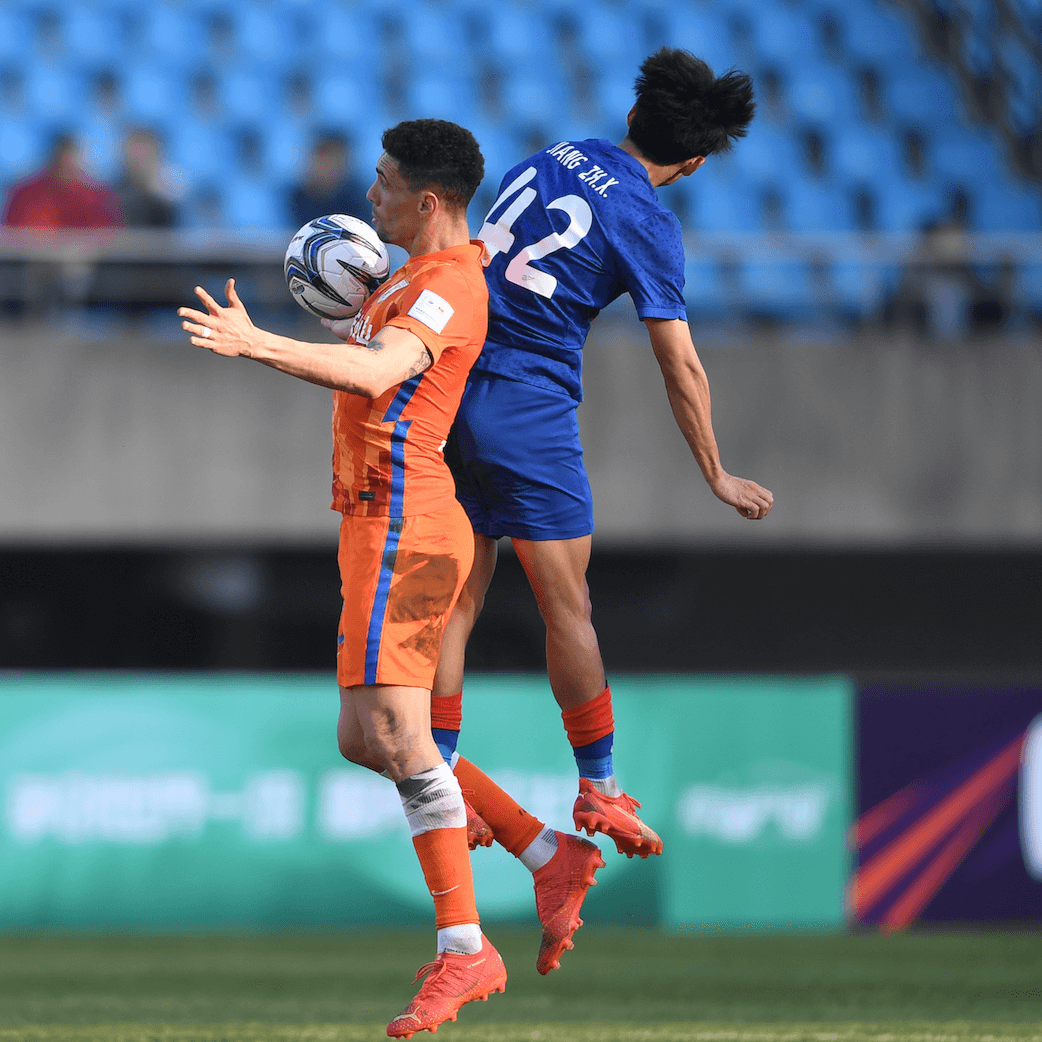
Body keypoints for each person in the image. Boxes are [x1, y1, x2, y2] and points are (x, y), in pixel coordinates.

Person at [177, 118, 510, 1038]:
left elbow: (380, 372)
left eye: (384, 182)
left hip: (408, 520)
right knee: (364, 739)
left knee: (398, 734)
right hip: (374, 523)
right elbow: (363, 352)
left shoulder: (447, 286)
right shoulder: (403, 278)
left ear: (427, 201)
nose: (371, 195)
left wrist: (258, 344)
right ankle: (535, 844)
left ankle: (465, 948)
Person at [431, 48, 775, 862]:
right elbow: (679, 362)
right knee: (567, 606)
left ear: (631, 117)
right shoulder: (648, 221)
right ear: (695, 162)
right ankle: (599, 787)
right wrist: (716, 472)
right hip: (528, 405)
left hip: (451, 384)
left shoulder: (554, 153)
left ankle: (439, 772)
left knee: (459, 600)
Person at [2, 132, 122, 229]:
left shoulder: (96, 197)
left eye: (71, 159)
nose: (66, 165)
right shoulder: (24, 195)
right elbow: (14, 238)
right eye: (61, 160)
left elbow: (106, 239)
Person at [289, 131, 372, 229]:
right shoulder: (294, 198)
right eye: (325, 159)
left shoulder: (357, 200)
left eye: (336, 160)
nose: (330, 166)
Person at [113, 128, 181, 229]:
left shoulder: (167, 193)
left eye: (145, 152)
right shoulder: (117, 194)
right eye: (136, 152)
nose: (139, 157)